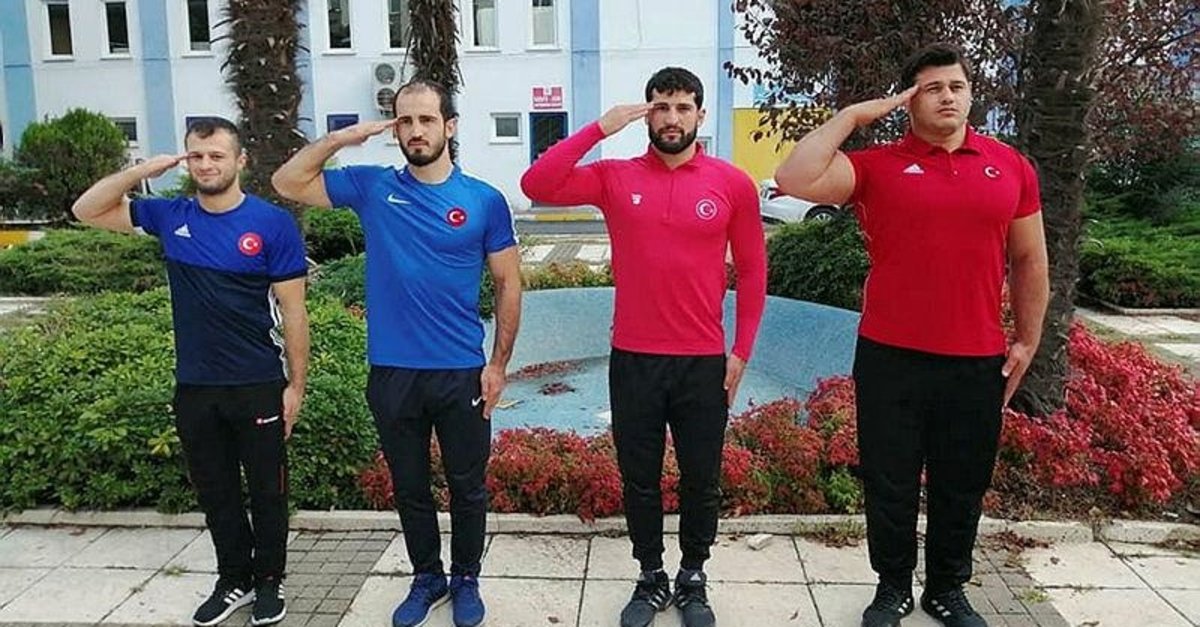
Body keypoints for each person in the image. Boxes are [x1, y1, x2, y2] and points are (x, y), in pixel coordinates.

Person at [774, 43, 1050, 627]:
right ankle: (893, 586)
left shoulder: (1010, 167)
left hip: (976, 357)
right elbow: (793, 176)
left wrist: (1027, 340)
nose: (948, 96)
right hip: (890, 356)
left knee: (962, 483)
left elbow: (1030, 259)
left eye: (957, 86)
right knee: (890, 480)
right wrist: (854, 116)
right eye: (933, 88)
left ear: (970, 94)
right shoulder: (876, 167)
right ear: (909, 100)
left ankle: (947, 589)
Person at [521, 67, 767, 627]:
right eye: (661, 107)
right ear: (647, 113)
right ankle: (651, 575)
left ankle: (693, 576)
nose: (671, 118)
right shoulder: (614, 176)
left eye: (682, 107)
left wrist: (742, 351)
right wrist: (599, 128)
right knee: (640, 478)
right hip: (634, 358)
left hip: (703, 361)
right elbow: (538, 184)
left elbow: (753, 272)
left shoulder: (731, 183)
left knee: (702, 479)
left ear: (700, 114)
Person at [271, 78, 521, 627]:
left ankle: (466, 578)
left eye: (426, 120)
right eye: (405, 121)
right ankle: (427, 577)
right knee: (409, 487)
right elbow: (287, 181)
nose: (415, 131)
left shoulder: (483, 200)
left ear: (449, 126)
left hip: (460, 371)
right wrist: (343, 138)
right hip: (392, 372)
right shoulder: (371, 186)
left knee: (467, 486)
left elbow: (508, 284)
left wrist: (498, 365)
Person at [72, 117, 309, 627]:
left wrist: (296, 385)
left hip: (257, 383)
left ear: (240, 160)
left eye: (216, 155)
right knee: (217, 491)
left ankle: (270, 581)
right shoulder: (169, 215)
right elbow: (85, 210)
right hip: (196, 386)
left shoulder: (272, 224)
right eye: (196, 156)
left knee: (268, 491)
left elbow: (294, 311)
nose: (206, 164)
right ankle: (234, 580)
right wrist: (142, 171)